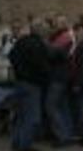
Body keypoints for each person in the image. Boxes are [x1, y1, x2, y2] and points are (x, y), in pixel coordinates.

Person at [9, 22, 50, 151]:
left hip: (20, 82)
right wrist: (45, 76)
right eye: (45, 30)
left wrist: (19, 70)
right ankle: (24, 145)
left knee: (21, 115)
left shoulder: (21, 42)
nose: (47, 32)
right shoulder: (38, 44)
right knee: (32, 117)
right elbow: (41, 65)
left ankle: (17, 142)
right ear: (40, 31)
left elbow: (11, 56)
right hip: (32, 84)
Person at [46, 15, 74, 147]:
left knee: (51, 106)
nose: (55, 25)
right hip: (61, 77)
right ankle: (66, 134)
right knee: (63, 107)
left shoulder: (65, 38)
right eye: (56, 22)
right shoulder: (58, 37)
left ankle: (61, 136)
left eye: (59, 23)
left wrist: (47, 46)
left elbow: (57, 54)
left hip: (59, 77)